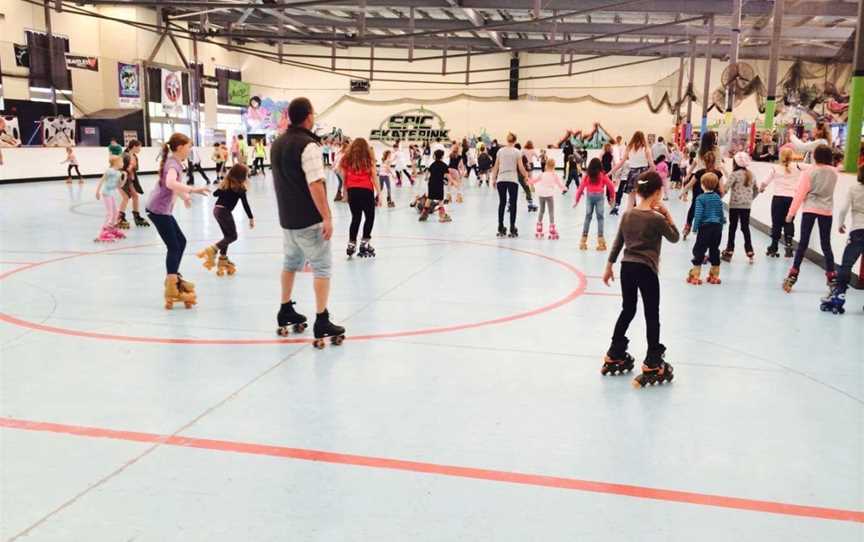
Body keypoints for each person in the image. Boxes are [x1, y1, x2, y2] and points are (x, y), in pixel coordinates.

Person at [271, 97, 345, 346]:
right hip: (308, 220)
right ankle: (322, 319)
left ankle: (285, 309)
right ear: (309, 116)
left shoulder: (277, 143)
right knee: (322, 268)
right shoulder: (309, 146)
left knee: (290, 263)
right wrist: (327, 216)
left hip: (287, 220)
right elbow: (315, 183)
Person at [602, 171, 679, 388]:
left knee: (628, 309)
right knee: (651, 314)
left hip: (627, 268)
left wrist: (609, 266)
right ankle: (653, 361)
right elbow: (674, 237)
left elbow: (618, 242)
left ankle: (614, 352)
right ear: (657, 193)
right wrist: (667, 214)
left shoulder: (627, 214)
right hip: (647, 270)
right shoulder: (656, 219)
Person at [145, 133, 210, 309]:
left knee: (181, 242)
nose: (190, 150)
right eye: (188, 146)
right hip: (158, 210)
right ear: (180, 147)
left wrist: (185, 196)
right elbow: (170, 183)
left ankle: (173, 277)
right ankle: (172, 285)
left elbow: (173, 187)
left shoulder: (175, 163)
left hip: (162, 210)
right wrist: (193, 190)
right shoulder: (173, 164)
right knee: (174, 246)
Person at [782, 144, 838, 293]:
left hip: (810, 209)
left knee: (803, 243)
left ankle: (793, 275)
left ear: (815, 156)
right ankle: (832, 277)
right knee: (826, 244)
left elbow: (800, 194)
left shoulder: (809, 172)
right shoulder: (834, 172)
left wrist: (790, 213)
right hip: (826, 211)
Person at [197, 163, 254, 277]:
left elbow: (215, 194)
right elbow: (245, 204)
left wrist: (222, 186)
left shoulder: (226, 184)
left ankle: (223, 259)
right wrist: (251, 218)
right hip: (224, 212)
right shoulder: (240, 188)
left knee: (227, 236)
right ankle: (212, 250)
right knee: (233, 236)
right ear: (242, 176)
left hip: (216, 210)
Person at [821, 167, 864, 313]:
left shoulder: (854, 188)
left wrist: (840, 224)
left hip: (858, 231)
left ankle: (839, 294)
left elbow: (844, 208)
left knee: (846, 265)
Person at [340, 138, 381, 258]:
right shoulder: (369, 159)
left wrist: (345, 193)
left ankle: (351, 244)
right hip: (366, 190)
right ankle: (365, 242)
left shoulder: (346, 159)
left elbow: (344, 177)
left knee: (356, 217)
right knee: (370, 216)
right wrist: (379, 193)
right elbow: (374, 176)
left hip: (352, 191)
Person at [761, 148, 800, 258]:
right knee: (789, 221)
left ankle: (774, 247)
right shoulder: (797, 167)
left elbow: (765, 182)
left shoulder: (775, 168)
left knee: (776, 223)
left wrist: (761, 189)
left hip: (778, 198)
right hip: (791, 198)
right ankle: (788, 245)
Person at [687, 172, 725, 285]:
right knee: (714, 249)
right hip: (717, 227)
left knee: (699, 249)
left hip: (705, 227)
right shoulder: (717, 197)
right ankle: (714, 274)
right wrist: (721, 224)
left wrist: (694, 227)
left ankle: (695, 274)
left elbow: (698, 214)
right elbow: (720, 213)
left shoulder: (700, 198)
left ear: (702, 185)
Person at [722, 152, 760, 263]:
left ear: (735, 163)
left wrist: (718, 197)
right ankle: (749, 251)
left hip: (735, 205)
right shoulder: (751, 174)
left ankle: (729, 251)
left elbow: (726, 188)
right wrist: (750, 199)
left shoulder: (735, 174)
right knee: (745, 228)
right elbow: (756, 190)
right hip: (747, 206)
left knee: (732, 228)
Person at [491, 133, 530, 238]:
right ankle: (512, 227)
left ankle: (500, 226)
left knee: (502, 203)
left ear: (507, 140)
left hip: (501, 179)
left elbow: (496, 166)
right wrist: (526, 176)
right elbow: (521, 167)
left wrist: (493, 179)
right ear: (515, 141)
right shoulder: (517, 152)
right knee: (513, 204)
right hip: (512, 179)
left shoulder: (500, 151)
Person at [680, 150, 724, 240]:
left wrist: (682, 192)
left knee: (693, 209)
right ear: (714, 161)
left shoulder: (699, 172)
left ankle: (688, 226)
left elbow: (690, 184)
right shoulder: (718, 173)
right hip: (712, 198)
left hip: (698, 196)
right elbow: (722, 189)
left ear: (704, 161)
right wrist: (719, 197)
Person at [574, 157, 616, 251]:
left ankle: (583, 242)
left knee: (588, 217)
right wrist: (613, 197)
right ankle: (601, 243)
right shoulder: (602, 175)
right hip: (599, 198)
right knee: (600, 218)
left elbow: (580, 188)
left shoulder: (587, 176)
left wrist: (577, 200)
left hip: (590, 197)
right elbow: (611, 186)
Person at [609, 131, 654, 215]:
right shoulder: (646, 149)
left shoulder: (629, 148)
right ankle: (643, 218)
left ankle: (628, 219)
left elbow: (621, 162)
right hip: (643, 174)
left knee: (631, 199)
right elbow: (652, 166)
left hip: (632, 174)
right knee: (644, 198)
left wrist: (611, 172)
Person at [528, 158, 565, 240]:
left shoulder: (542, 174)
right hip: (549, 194)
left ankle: (539, 227)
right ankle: (552, 228)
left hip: (541, 194)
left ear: (546, 165)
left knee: (541, 210)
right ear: (554, 166)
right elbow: (559, 184)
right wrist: (564, 188)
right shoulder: (554, 175)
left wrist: (528, 180)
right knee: (551, 211)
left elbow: (534, 181)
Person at [93, 155, 126, 242]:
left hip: (112, 193)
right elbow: (102, 180)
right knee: (110, 213)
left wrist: (124, 177)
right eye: (121, 162)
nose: (123, 164)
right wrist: (97, 191)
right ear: (116, 163)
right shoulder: (109, 171)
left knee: (115, 212)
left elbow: (120, 186)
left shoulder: (118, 173)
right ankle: (103, 233)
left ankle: (112, 229)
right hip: (106, 193)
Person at [118, 139, 149, 228]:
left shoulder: (134, 156)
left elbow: (134, 169)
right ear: (134, 146)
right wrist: (129, 167)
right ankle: (120, 218)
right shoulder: (124, 156)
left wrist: (132, 169)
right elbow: (119, 168)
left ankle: (136, 216)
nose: (140, 149)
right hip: (121, 179)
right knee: (126, 197)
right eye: (139, 147)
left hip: (129, 180)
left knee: (135, 196)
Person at [418, 149, 452, 223]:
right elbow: (448, 176)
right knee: (440, 200)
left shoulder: (432, 164)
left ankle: (423, 215)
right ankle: (442, 217)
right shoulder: (444, 165)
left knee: (430, 198)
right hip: (439, 184)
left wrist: (426, 178)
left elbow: (427, 174)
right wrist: (453, 182)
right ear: (442, 156)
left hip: (431, 183)